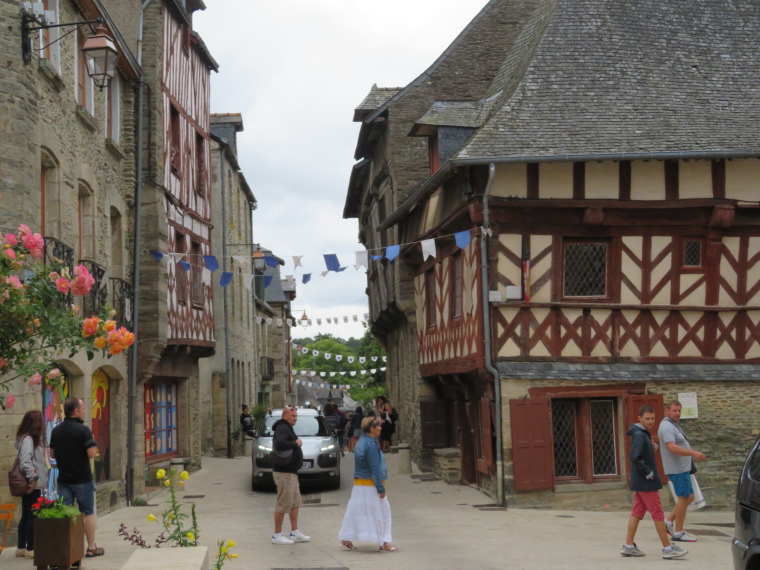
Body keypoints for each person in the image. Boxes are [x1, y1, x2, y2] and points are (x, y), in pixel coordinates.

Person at [620, 405, 687, 559]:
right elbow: (635, 457)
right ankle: (667, 548)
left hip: (641, 481)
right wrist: (648, 472)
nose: (651, 421)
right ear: (640, 418)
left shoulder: (642, 433)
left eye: (652, 418)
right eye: (647, 419)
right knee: (657, 513)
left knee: (637, 512)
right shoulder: (639, 434)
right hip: (646, 482)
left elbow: (640, 454)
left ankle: (629, 545)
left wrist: (652, 447)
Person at [49, 397, 104, 559]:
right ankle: (91, 548)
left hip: (63, 478)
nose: (85, 411)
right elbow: (92, 454)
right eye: (83, 408)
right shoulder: (83, 430)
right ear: (76, 411)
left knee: (65, 513)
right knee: (87, 513)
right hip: (82, 478)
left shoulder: (56, 430)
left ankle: (66, 547)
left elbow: (52, 454)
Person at [338, 416, 398, 552]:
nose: (381, 428)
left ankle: (346, 537)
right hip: (370, 484)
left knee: (356, 511)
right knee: (382, 512)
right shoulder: (371, 444)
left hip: (360, 483)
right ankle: (384, 542)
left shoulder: (361, 442)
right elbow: (374, 468)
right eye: (378, 426)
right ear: (372, 428)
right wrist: (381, 488)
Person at [657, 400, 707, 543]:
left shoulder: (672, 425)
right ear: (667, 411)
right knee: (683, 498)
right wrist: (693, 453)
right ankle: (678, 532)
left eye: (679, 410)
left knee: (689, 497)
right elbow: (671, 448)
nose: (677, 413)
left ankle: (669, 521)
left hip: (683, 468)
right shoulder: (666, 426)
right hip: (677, 468)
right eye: (675, 410)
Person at [271, 406, 310, 545]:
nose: (295, 418)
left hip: (291, 472)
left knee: (294, 502)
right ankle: (276, 535)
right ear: (284, 415)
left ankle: (294, 532)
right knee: (284, 503)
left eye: (295, 416)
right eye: (292, 415)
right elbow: (280, 444)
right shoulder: (282, 427)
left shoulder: (286, 427)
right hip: (284, 473)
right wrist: (296, 443)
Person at [14, 410, 48, 559]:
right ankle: (30, 548)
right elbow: (25, 461)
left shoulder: (26, 439)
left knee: (27, 515)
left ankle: (21, 547)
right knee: (33, 516)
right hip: (32, 483)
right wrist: (33, 479)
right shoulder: (28, 440)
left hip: (32, 483)